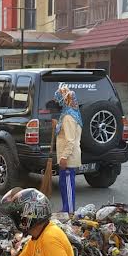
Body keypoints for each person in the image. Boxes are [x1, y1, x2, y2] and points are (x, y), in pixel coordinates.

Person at [54, 85, 82, 216]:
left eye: (60, 99)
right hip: (67, 156)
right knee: (63, 184)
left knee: (68, 185)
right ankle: (66, 208)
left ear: (65, 100)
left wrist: (64, 157)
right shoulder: (68, 115)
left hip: (69, 157)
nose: (58, 102)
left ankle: (70, 211)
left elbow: (70, 140)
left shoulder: (68, 117)